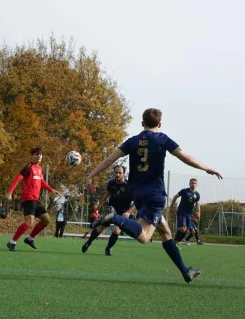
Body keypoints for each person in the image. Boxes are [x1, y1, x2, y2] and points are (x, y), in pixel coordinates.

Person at [86, 108, 222, 283]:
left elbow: (109, 160)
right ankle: (115, 218)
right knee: (144, 237)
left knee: (165, 231)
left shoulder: (132, 141)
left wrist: (91, 175)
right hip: (155, 195)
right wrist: (206, 168)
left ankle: (185, 271)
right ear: (160, 124)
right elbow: (185, 157)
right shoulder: (162, 139)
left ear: (142, 124)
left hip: (138, 195)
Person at [6, 147, 61, 252]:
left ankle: (29, 239)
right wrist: (10, 192)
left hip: (36, 200)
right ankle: (12, 242)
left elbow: (41, 182)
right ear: (31, 156)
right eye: (36, 154)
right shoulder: (28, 168)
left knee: (46, 220)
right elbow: (17, 179)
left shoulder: (39, 168)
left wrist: (51, 189)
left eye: (40, 155)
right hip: (28, 198)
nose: (39, 156)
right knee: (29, 221)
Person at [82, 165, 136, 256]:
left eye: (120, 173)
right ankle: (88, 242)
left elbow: (136, 202)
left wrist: (128, 212)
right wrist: (100, 204)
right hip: (111, 210)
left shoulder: (129, 186)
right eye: (116, 172)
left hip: (122, 213)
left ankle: (108, 248)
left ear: (124, 173)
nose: (118, 174)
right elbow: (108, 193)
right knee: (100, 228)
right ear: (114, 172)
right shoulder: (111, 183)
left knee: (116, 231)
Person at [168, 178, 204, 245]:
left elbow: (197, 204)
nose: (193, 184)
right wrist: (171, 207)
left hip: (188, 214)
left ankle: (175, 242)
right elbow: (175, 197)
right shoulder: (184, 191)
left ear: (197, 185)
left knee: (186, 231)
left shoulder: (197, 194)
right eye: (192, 183)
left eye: (195, 183)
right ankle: (174, 242)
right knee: (183, 229)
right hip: (181, 212)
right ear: (189, 184)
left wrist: (198, 212)